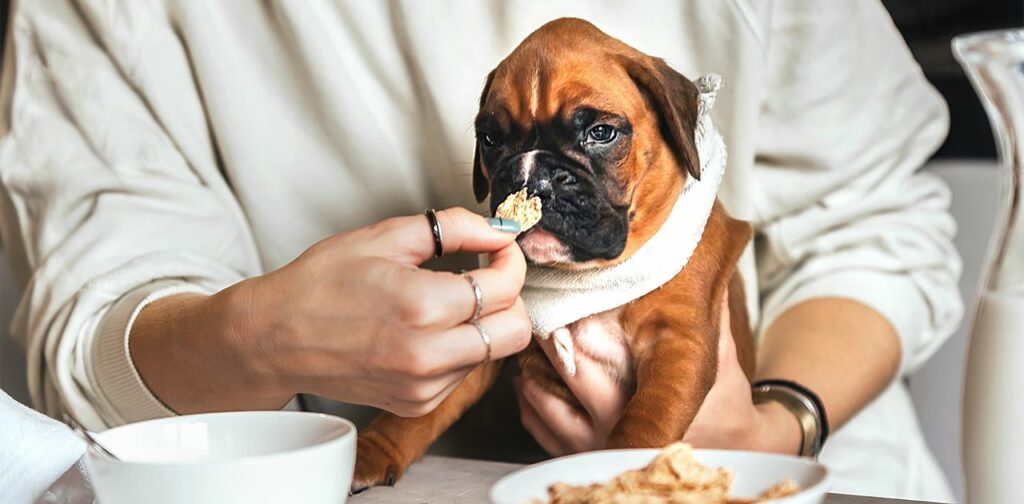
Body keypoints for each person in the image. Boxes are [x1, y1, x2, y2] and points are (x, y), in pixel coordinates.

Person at [0, 1, 961, 501]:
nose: (536, 177)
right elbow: (89, 302)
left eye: (597, 136)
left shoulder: (686, 220)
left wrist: (775, 423)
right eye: (504, 146)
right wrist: (260, 335)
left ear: (668, 122)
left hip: (794, 475)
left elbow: (882, 221)